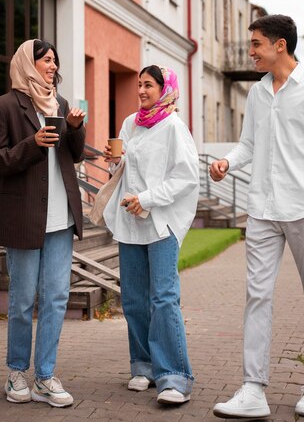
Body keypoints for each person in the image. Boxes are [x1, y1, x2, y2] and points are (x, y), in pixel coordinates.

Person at [210, 15, 304, 419]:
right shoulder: (257, 93)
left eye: (256, 43)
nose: (251, 51)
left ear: (280, 46)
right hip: (262, 210)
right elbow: (248, 146)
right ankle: (253, 387)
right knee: (256, 295)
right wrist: (227, 162)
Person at [0, 39, 86, 408]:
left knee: (57, 299)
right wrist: (32, 143)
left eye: (55, 60)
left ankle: (44, 376)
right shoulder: (4, 106)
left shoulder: (58, 104)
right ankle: (16, 373)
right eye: (46, 60)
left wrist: (74, 128)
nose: (53, 66)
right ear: (29, 63)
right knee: (23, 301)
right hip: (24, 218)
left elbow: (73, 156)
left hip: (61, 219)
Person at [102, 65, 199, 405]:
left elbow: (186, 177)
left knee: (163, 298)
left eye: (148, 85)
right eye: (139, 84)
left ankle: (174, 376)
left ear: (164, 88)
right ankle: (143, 366)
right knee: (133, 300)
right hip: (130, 225)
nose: (141, 90)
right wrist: (114, 162)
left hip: (161, 224)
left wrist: (147, 199)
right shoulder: (130, 123)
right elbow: (126, 170)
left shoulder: (173, 126)